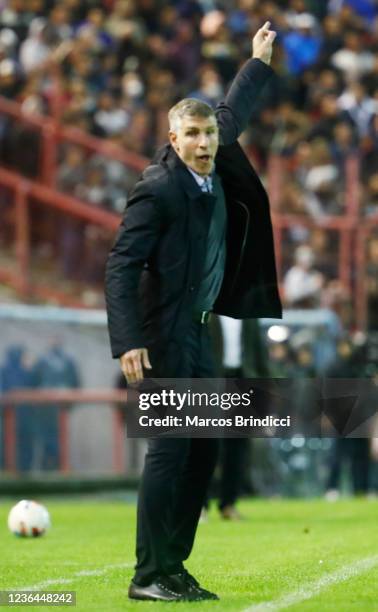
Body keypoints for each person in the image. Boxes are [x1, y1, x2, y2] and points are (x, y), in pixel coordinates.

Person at [105, 22, 281, 603]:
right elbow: (121, 266)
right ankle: (148, 573)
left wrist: (257, 61)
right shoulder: (156, 189)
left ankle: (172, 566)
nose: (206, 144)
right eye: (193, 135)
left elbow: (235, 112)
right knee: (171, 447)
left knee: (204, 448)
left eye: (208, 134)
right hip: (161, 336)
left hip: (199, 333)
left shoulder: (214, 153)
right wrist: (129, 340)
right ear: (173, 138)